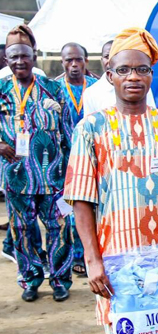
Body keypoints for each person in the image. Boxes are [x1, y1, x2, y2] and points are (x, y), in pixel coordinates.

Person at [64, 26, 158, 334]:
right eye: (124, 69)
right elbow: (82, 200)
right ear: (110, 74)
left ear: (151, 74)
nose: (133, 77)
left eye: (142, 69)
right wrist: (93, 261)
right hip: (114, 264)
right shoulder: (91, 128)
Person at [1, 24, 76, 302]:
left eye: (24, 55)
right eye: (13, 57)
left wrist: (72, 173)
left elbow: (69, 132)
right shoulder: (1, 90)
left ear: (34, 55)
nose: (19, 61)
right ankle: (31, 278)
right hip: (16, 177)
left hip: (54, 176)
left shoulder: (53, 88)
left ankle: (60, 279)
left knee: (60, 228)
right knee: (21, 231)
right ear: (6, 60)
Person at [55, 41, 100, 277]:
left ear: (86, 61)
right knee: (69, 211)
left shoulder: (96, 88)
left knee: (93, 207)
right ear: (62, 63)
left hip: (94, 159)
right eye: (68, 60)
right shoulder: (53, 89)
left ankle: (93, 253)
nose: (74, 65)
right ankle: (75, 256)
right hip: (64, 162)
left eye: (78, 60)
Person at [82, 39, 156, 115]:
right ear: (110, 76)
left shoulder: (140, 87)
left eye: (142, 70)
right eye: (107, 56)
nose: (133, 77)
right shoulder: (91, 93)